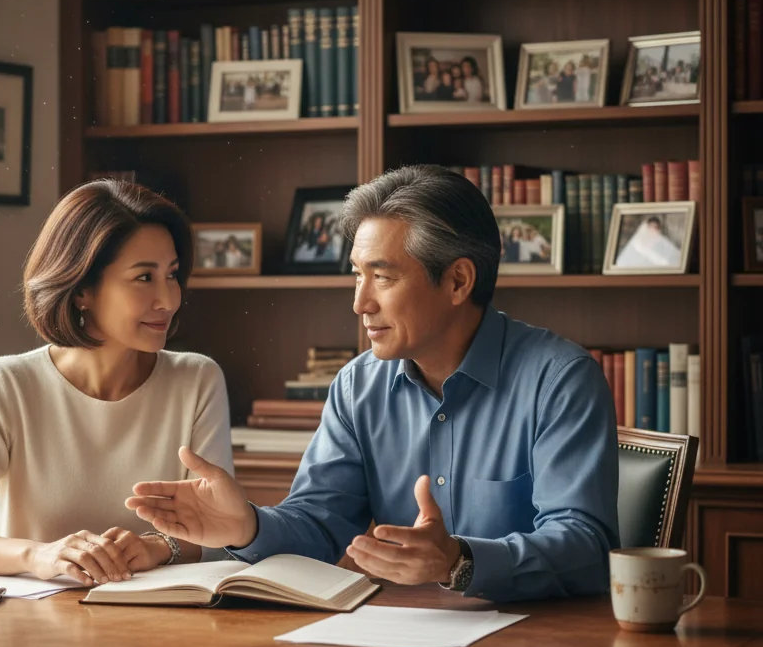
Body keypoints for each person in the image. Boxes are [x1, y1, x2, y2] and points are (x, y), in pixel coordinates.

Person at [127, 165, 619, 603]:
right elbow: (319, 524)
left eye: (382, 277)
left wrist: (460, 560)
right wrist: (246, 525)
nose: (360, 303)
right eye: (357, 276)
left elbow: (586, 546)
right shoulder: (358, 385)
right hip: (399, 644)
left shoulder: (559, 380)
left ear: (458, 282)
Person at [0, 179, 234, 582]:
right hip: (31, 630)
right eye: (143, 278)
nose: (168, 299)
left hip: (160, 630)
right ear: (82, 288)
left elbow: (223, 532)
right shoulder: (6, 384)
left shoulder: (197, 380)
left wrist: (156, 546)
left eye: (171, 274)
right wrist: (38, 556)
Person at [614, 215, 683, 268]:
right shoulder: (636, 246)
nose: (653, 232)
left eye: (656, 228)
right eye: (650, 228)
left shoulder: (665, 248)